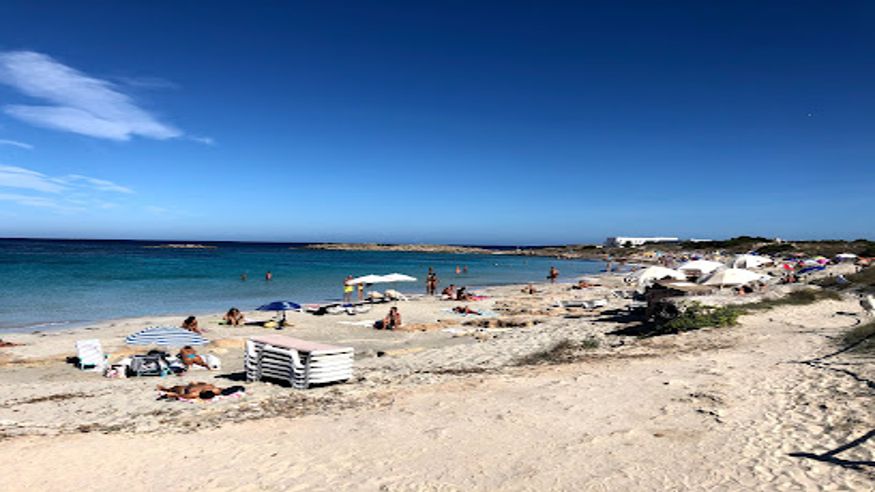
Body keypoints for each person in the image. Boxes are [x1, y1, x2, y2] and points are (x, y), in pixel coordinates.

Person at [156, 382, 226, 400]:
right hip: (184, 389)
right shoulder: (195, 394)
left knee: (174, 389)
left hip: (185, 388)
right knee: (173, 389)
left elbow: (181, 395)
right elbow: (182, 396)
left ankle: (165, 389)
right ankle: (164, 389)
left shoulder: (212, 388)